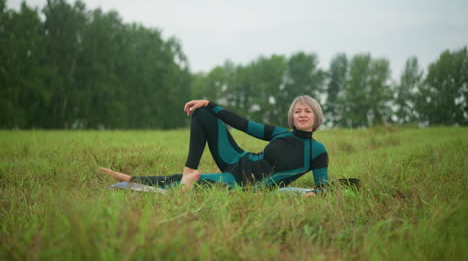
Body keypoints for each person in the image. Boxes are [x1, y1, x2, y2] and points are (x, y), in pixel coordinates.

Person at [100, 95, 329, 197]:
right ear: (292, 115)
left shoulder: (318, 152)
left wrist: (306, 194)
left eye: (307, 111)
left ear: (316, 116)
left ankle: (130, 181)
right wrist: (209, 103)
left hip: (242, 184)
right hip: (236, 159)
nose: (302, 114)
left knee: (180, 183)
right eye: (297, 111)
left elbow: (322, 190)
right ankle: (189, 169)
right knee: (202, 112)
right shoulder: (280, 133)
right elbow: (244, 124)